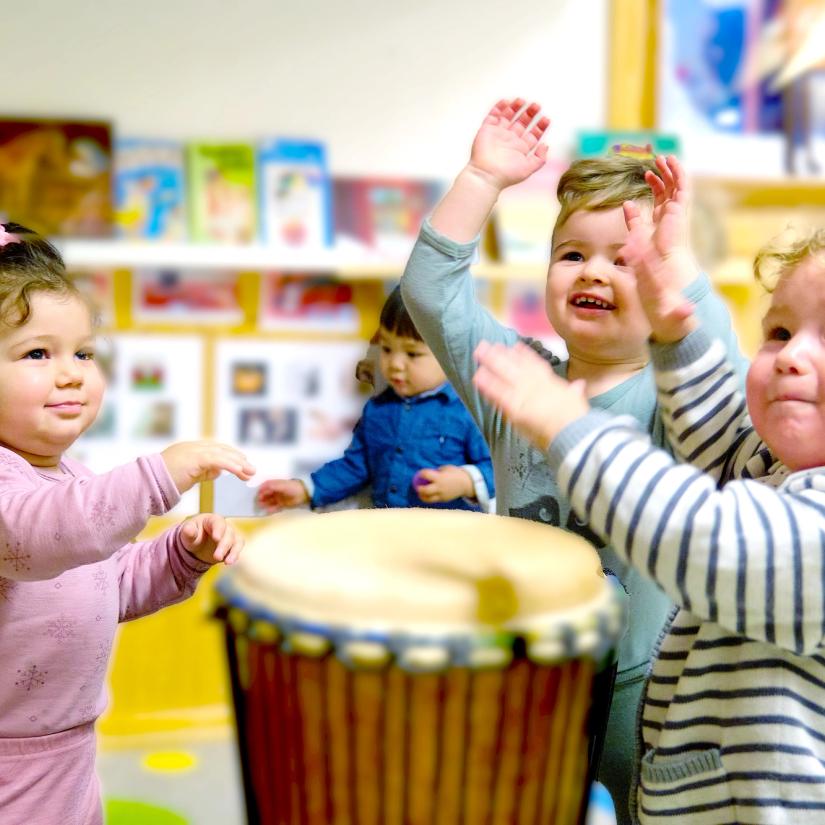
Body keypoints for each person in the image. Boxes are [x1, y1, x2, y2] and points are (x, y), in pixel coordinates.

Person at [400, 97, 748, 822]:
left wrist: (675, 262)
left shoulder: (671, 397)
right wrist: (480, 178)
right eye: (572, 254)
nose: (594, 271)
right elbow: (430, 294)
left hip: (640, 684)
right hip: (519, 673)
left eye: (626, 262)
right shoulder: (516, 380)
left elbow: (710, 352)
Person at [472, 204, 825, 821]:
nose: (792, 356)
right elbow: (719, 439)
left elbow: (708, 538)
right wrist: (675, 336)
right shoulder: (783, 470)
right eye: (779, 332)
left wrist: (569, 426)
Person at [0, 222, 256, 823]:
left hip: (70, 750)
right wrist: (159, 474)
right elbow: (40, 535)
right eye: (38, 353)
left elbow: (112, 580)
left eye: (83, 353)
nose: (71, 373)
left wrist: (179, 553)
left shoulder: (73, 478)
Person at [256, 285, 495, 513]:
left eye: (412, 354)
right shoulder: (377, 408)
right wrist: (305, 489)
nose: (395, 364)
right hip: (385, 531)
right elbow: (355, 466)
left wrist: (466, 481)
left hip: (450, 537)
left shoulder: (470, 410)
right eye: (388, 349)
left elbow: (501, 470)